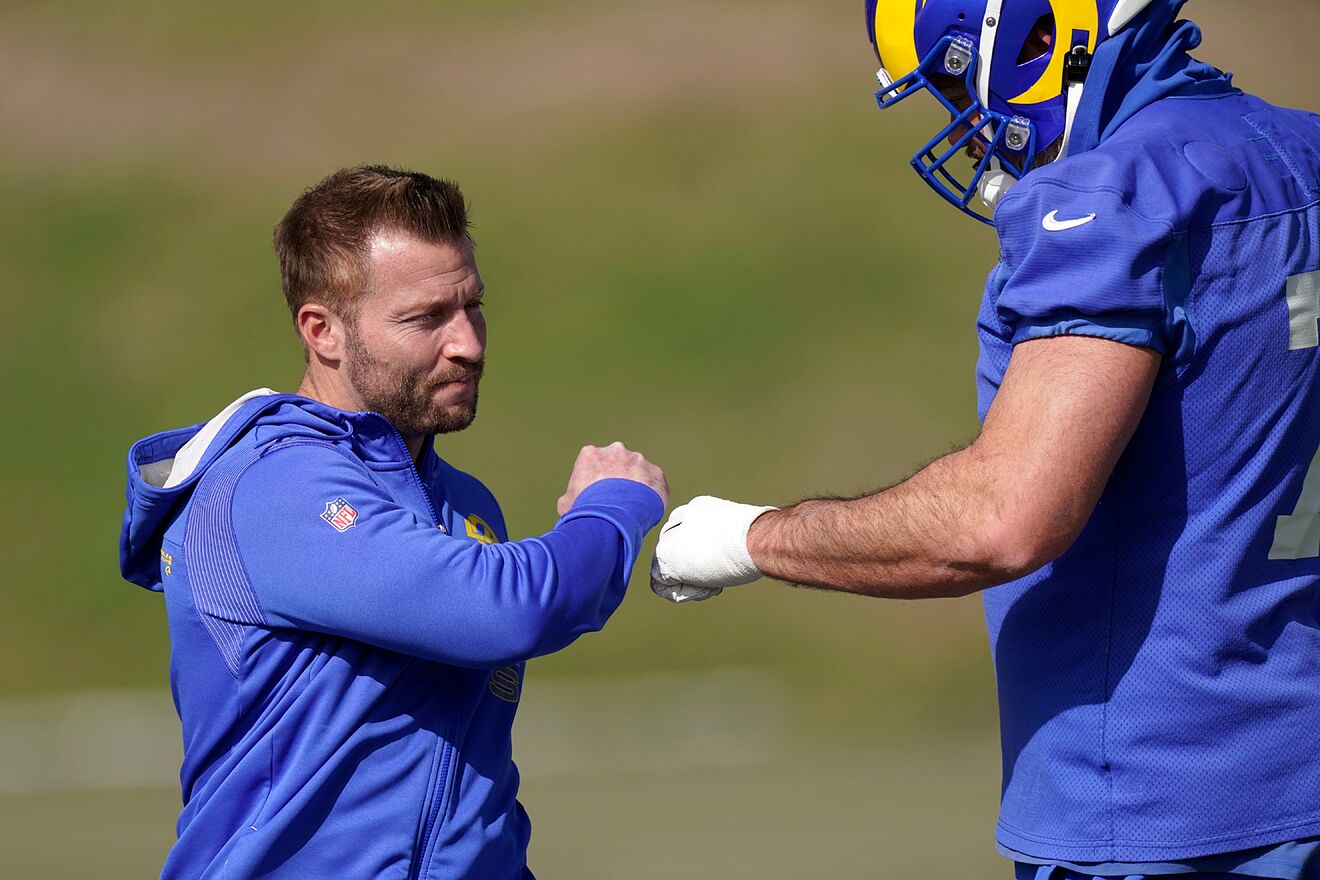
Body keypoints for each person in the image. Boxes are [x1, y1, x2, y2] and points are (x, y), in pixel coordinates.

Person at [651, 1, 1320, 877]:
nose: (967, 130)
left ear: (1035, 37)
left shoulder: (1117, 195)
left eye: (955, 83)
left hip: (1163, 795)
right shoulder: (1301, 150)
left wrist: (746, 539)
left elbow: (1001, 520)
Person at [118, 165, 668, 879]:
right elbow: (507, 609)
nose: (468, 343)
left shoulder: (465, 505)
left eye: (472, 306)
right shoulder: (268, 489)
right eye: (427, 318)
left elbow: (473, 785)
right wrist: (615, 504)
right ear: (323, 331)